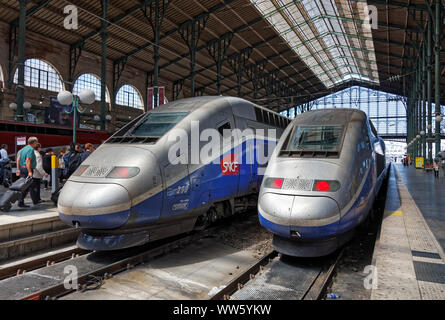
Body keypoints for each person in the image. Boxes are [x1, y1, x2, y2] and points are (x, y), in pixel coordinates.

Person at [16, 137, 39, 208]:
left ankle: (22, 201)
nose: (37, 144)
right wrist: (29, 171)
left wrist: (18, 169)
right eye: (37, 142)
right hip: (27, 170)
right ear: (34, 143)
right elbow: (28, 160)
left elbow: (18, 159)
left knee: (24, 186)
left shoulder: (23, 148)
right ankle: (22, 202)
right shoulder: (31, 149)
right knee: (28, 186)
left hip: (23, 169)